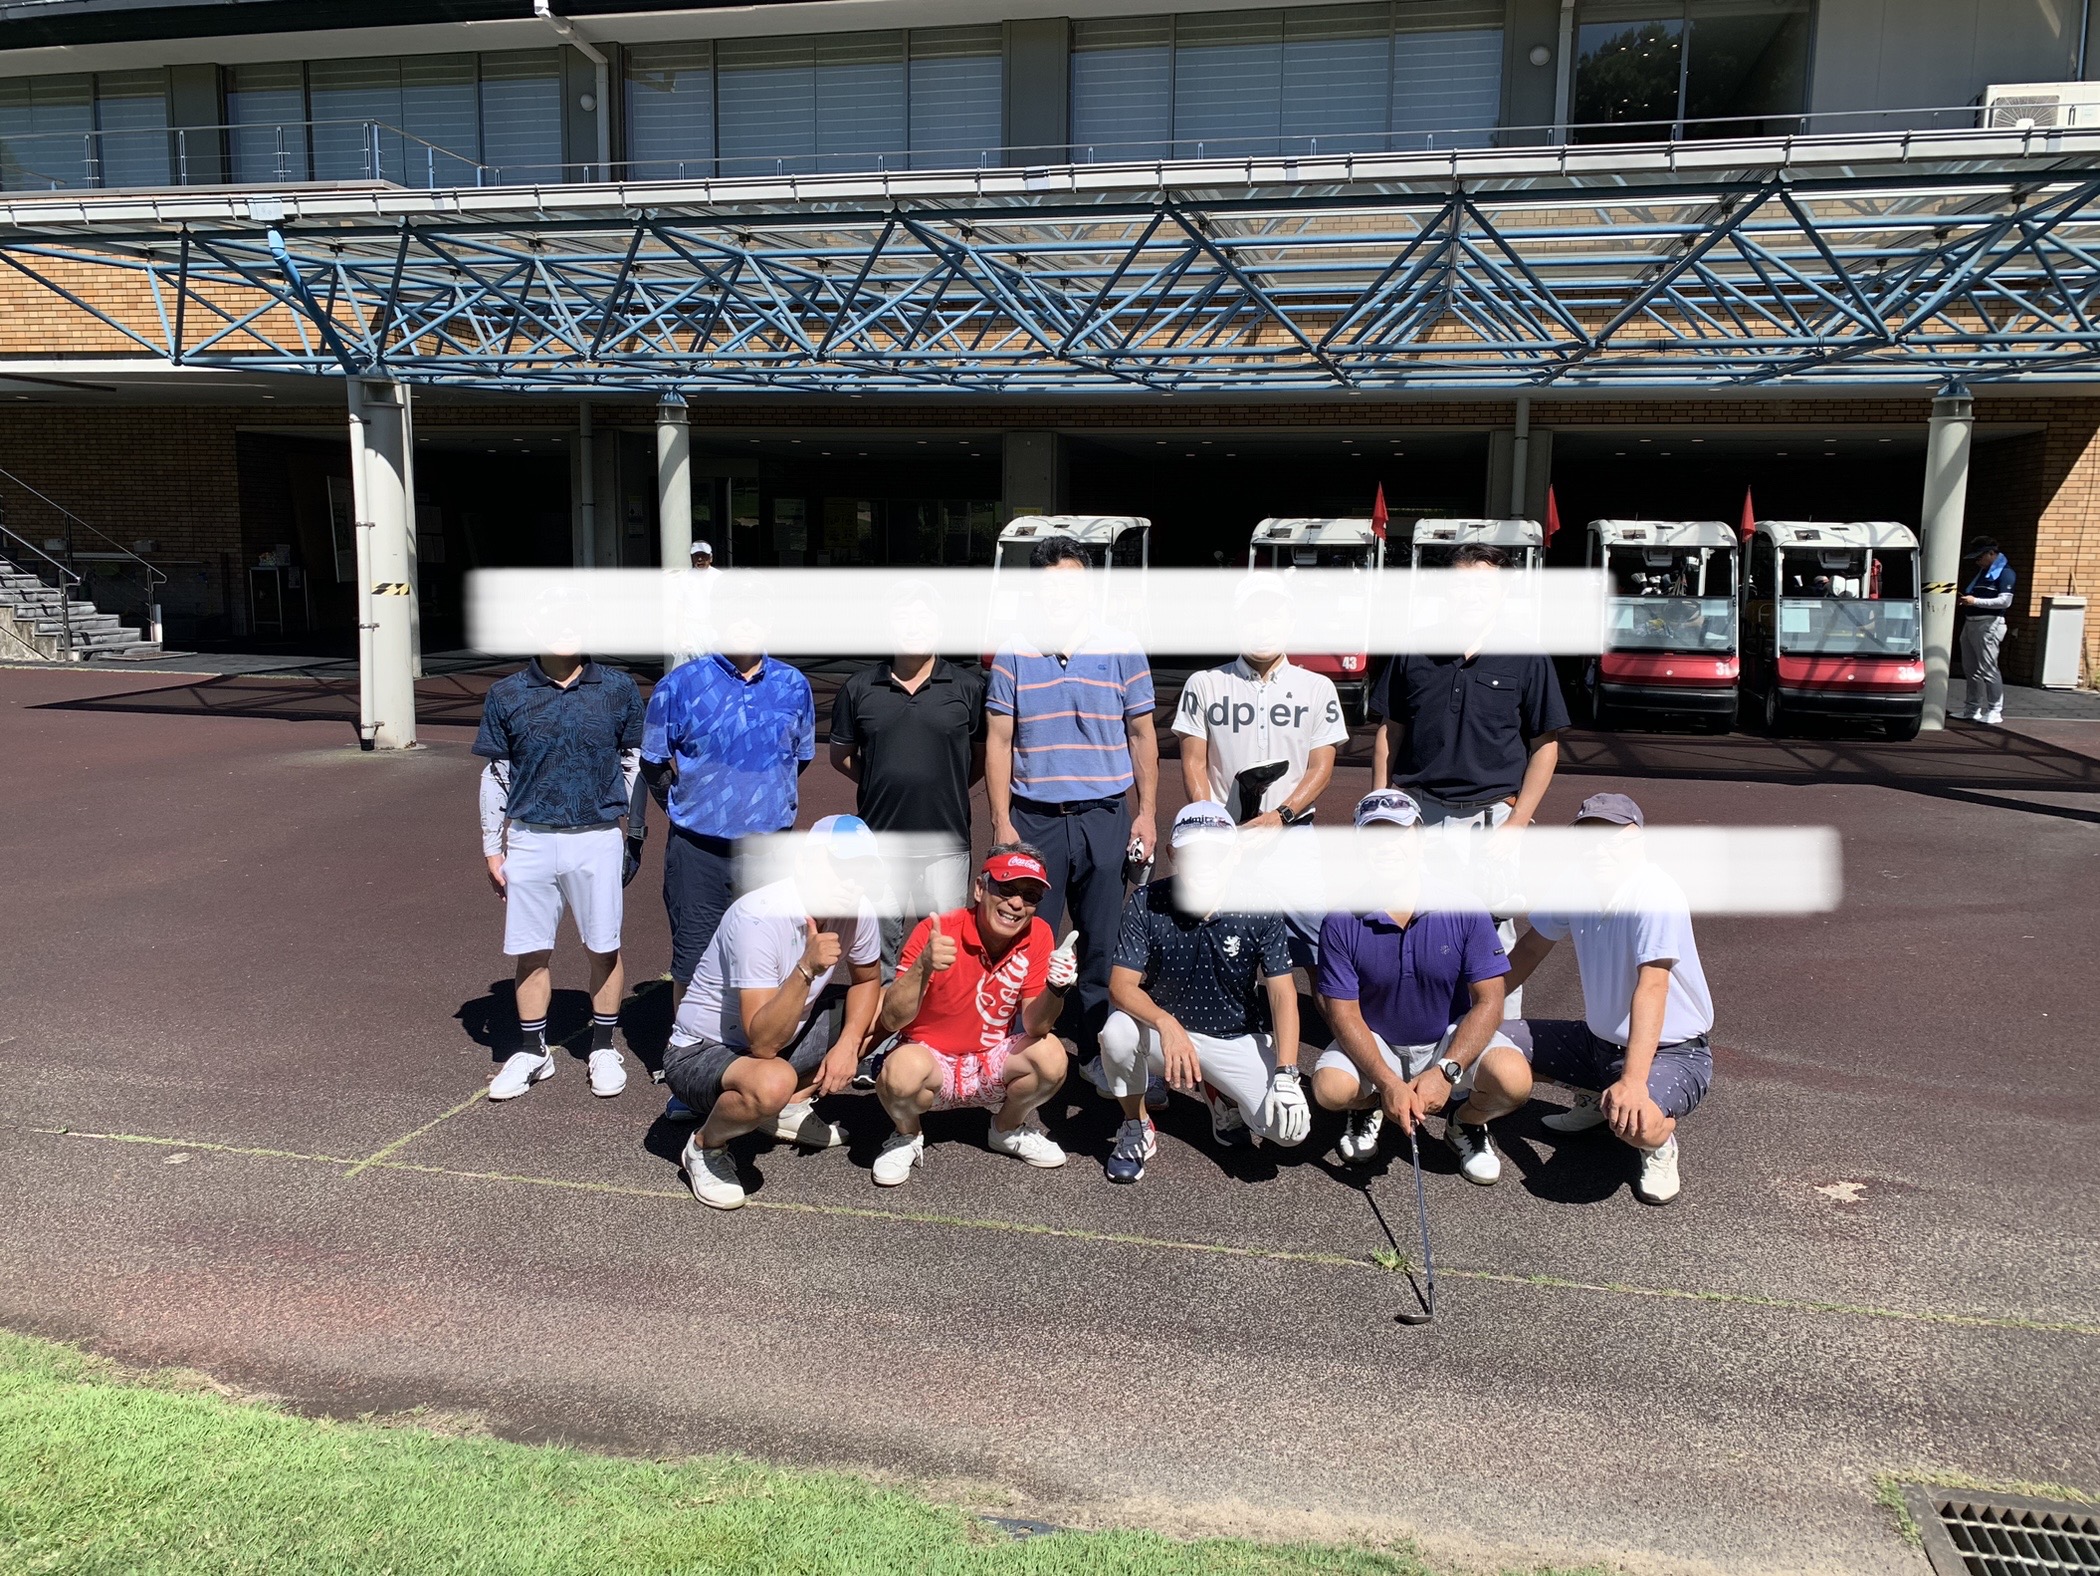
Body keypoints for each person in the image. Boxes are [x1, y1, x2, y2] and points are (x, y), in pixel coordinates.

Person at [1368, 541, 1569, 1009]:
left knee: (1492, 934)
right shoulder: (1414, 649)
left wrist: (1517, 824)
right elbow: (1389, 732)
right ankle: (1417, 1026)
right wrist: (1378, 807)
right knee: (1413, 923)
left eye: (1485, 586)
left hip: (1491, 821)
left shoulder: (1528, 657)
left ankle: (1494, 1037)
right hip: (1419, 815)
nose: (1472, 595)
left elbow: (1545, 747)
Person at [986, 535, 1158, 1049]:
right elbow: (999, 740)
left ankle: (1095, 1045)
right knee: (1024, 933)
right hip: (1033, 819)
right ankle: (1021, 1043)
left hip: (1104, 816)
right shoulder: (1013, 652)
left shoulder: (1122, 647)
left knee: (1102, 939)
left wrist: (1147, 814)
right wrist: (1001, 821)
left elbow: (1141, 735)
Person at [1308, 789, 1532, 1183]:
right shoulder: (1341, 920)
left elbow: (1490, 1001)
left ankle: (1466, 1123)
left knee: (1513, 1079)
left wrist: (1446, 1072)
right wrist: (1387, 1082)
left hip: (1448, 1040)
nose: (1387, 846)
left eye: (1399, 833)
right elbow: (1343, 1013)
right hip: (1378, 1042)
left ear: (1420, 839)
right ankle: (1367, 1105)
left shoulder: (1464, 907)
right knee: (1330, 1089)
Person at [1501, 792, 1714, 1207]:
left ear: (1638, 840)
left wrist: (1633, 1081)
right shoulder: (1575, 883)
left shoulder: (1655, 893)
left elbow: (1652, 986)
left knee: (1638, 1123)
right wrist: (1477, 1011)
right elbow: (1529, 950)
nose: (1598, 849)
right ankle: (1598, 1096)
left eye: (1611, 838)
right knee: (1486, 1044)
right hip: (1596, 1043)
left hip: (1672, 1052)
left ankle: (1658, 1144)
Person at [663, 816, 885, 1211]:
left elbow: (868, 980)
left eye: (862, 869)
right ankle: (704, 1146)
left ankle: (787, 1108)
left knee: (888, 1006)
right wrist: (807, 968)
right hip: (699, 1053)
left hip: (778, 1039)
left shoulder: (858, 909)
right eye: (840, 866)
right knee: (771, 1081)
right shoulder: (759, 916)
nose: (851, 882)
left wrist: (850, 1044)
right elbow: (763, 1044)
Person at [1096, 802, 1309, 1184]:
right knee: (1116, 1034)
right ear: (1173, 854)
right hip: (1165, 1033)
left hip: (1234, 1036)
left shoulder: (1260, 904)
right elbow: (1120, 986)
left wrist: (1287, 1072)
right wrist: (1166, 1023)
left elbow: (1282, 994)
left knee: (1289, 1129)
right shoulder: (1146, 901)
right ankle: (1136, 1125)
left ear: (1235, 854)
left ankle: (1220, 1094)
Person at [474, 648, 647, 1102]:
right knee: (530, 950)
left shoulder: (618, 688)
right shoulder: (507, 693)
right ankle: (534, 1052)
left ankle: (603, 1047)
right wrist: (492, 846)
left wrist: (633, 834)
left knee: (604, 947)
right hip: (530, 836)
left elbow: (633, 762)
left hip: (598, 835)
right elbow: (496, 773)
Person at [869, 846, 1078, 1186]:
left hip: (989, 1061)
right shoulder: (937, 932)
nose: (1016, 903)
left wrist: (1056, 988)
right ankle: (907, 1134)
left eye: (1030, 895)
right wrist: (923, 967)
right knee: (901, 1072)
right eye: (1006, 888)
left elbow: (1036, 1025)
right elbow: (892, 1020)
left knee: (1052, 1055)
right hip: (931, 1061)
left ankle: (1006, 1128)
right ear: (980, 889)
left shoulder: (1038, 933)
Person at [1174, 575, 1347, 967]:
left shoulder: (1317, 687)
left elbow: (1321, 767)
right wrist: (1212, 825)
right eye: (1252, 616)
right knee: (1224, 941)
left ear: (1291, 621)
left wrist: (1280, 816)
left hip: (1292, 834)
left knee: (1317, 944)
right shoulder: (1204, 684)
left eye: (1274, 616)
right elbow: (1193, 762)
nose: (1263, 626)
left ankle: (1321, 1011)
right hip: (1227, 837)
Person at [641, 645, 815, 999]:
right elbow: (652, 762)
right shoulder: (680, 684)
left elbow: (800, 758)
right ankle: (690, 1036)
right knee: (694, 965)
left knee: (770, 961)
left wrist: (758, 799)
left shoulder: (793, 684)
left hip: (770, 853)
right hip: (698, 852)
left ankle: (758, 1036)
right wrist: (688, 806)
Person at [827, 588, 986, 973]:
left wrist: (943, 784)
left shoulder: (968, 688)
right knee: (877, 952)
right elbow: (841, 756)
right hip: (880, 842)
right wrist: (880, 780)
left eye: (924, 618)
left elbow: (981, 759)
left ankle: (933, 1013)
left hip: (946, 842)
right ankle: (881, 1012)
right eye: (903, 619)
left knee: (943, 951)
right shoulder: (859, 688)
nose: (914, 628)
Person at [1959, 535, 2016, 726]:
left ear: (1991, 553)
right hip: (1971, 622)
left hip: (1989, 623)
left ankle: (1994, 710)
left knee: (1989, 669)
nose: (1977, 561)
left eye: (1979, 557)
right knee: (1971, 669)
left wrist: (1975, 601)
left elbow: (2005, 601)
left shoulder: (2005, 573)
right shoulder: (1983, 572)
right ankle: (1972, 709)